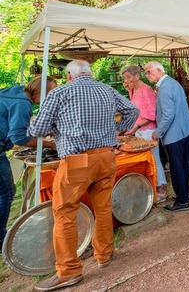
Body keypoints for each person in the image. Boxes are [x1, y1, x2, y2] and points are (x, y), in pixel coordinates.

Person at [29, 61, 138, 291]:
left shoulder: (59, 92)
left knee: (65, 212)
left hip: (77, 160)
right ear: (89, 73)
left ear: (69, 75)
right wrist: (116, 132)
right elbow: (132, 110)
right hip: (107, 156)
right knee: (103, 207)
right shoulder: (107, 90)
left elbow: (37, 130)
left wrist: (56, 128)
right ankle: (104, 254)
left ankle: (68, 271)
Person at [0, 76, 57, 249]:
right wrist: (49, 144)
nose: (51, 97)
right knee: (7, 192)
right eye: (50, 93)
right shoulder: (22, 103)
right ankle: (1, 239)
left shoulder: (14, 92)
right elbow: (18, 137)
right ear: (39, 91)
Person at [144, 61, 189, 212]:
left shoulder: (165, 87)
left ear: (159, 71)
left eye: (149, 72)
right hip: (184, 130)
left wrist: (157, 132)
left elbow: (168, 115)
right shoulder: (172, 83)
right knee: (183, 165)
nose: (147, 75)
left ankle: (182, 201)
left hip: (175, 134)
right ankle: (185, 194)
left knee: (177, 167)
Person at [120, 65, 168, 203]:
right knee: (145, 160)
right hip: (139, 130)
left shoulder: (146, 90)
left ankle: (161, 188)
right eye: (125, 78)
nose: (127, 80)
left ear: (137, 76)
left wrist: (135, 128)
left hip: (149, 130)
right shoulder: (133, 90)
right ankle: (151, 186)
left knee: (154, 158)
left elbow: (152, 115)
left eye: (129, 77)